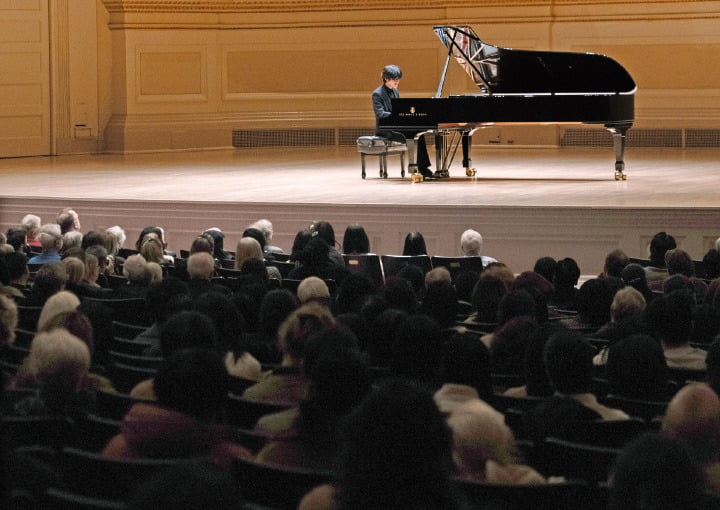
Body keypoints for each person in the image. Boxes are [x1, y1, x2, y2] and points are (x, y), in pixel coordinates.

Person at [372, 64, 433, 179]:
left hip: (395, 125)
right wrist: (397, 115)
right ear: (386, 78)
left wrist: (403, 115)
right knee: (413, 134)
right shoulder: (377, 94)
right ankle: (415, 168)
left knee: (419, 133)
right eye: (394, 79)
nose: (397, 81)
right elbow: (380, 114)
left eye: (398, 78)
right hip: (385, 129)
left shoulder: (395, 91)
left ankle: (423, 167)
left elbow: (398, 109)